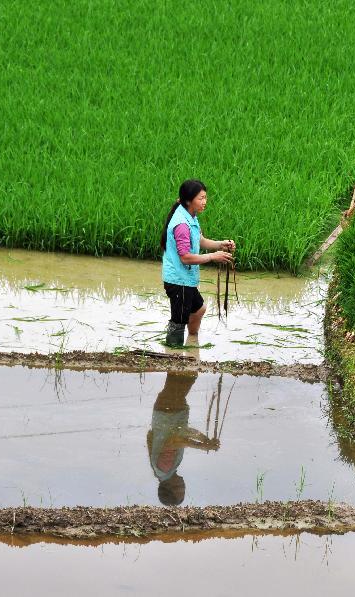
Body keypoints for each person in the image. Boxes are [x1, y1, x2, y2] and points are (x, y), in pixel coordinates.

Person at [160, 179, 236, 346]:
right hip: (178, 280)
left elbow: (199, 240)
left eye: (205, 197)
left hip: (185, 278)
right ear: (189, 200)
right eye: (201, 198)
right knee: (178, 322)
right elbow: (185, 257)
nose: (204, 202)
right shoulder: (181, 224)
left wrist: (220, 244)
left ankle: (192, 340)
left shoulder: (190, 216)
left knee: (199, 309)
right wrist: (212, 256)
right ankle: (174, 354)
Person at [146, 372, 220, 506]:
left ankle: (177, 352)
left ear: (170, 487)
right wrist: (205, 440)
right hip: (169, 410)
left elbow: (174, 441)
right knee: (180, 374)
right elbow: (183, 432)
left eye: (180, 489)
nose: (183, 486)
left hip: (169, 411)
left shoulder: (165, 468)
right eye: (183, 490)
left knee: (188, 373)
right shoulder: (164, 472)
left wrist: (202, 446)